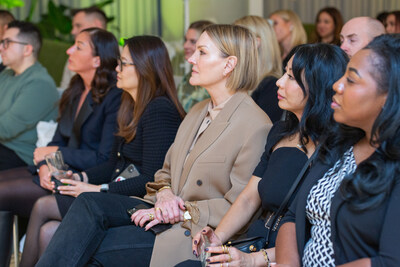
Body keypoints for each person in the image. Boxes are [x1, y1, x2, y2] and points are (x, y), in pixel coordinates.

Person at [36, 24, 273, 267]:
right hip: (160, 214)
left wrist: (182, 211)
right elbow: (164, 172)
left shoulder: (254, 125)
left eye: (202, 52)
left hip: (195, 232)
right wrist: (165, 194)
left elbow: (239, 206)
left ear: (229, 64)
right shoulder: (198, 111)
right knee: (87, 204)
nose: (191, 58)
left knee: (94, 247)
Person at [19, 35, 185, 267]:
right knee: (49, 230)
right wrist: (80, 177)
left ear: (145, 68)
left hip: (141, 201)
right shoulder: (130, 106)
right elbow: (112, 163)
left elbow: (152, 178)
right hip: (119, 193)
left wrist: (99, 189)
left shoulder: (159, 110)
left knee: (45, 205)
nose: (116, 68)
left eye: (123, 63)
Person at [183, 43, 348, 267]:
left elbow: (316, 235)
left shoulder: (341, 150)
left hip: (286, 257)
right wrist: (217, 238)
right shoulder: (279, 133)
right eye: (284, 73)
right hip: (254, 241)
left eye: (291, 76)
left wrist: (253, 260)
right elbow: (250, 198)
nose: (279, 82)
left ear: (317, 85)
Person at [275, 34, 400, 266]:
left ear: (389, 96)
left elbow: (390, 261)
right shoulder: (339, 143)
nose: (336, 85)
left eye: (351, 80)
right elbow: (293, 217)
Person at [0, 28, 121, 266]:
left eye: (78, 46)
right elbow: (57, 141)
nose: (69, 50)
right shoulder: (76, 89)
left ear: (97, 60)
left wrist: (55, 155)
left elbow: (104, 157)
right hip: (56, 172)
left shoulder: (114, 97)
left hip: (81, 179)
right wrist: (45, 166)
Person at [233, 15, 283, 122]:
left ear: (255, 43)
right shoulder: (240, 81)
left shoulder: (272, 88)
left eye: (236, 39)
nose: (231, 45)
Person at [59, 6, 107, 89]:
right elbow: (64, 89)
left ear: (97, 25)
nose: (72, 31)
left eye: (78, 25)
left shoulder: (122, 56)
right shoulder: (73, 55)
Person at [177, 20, 213, 112]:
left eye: (192, 41)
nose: (185, 45)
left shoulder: (213, 82)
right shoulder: (188, 77)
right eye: (186, 40)